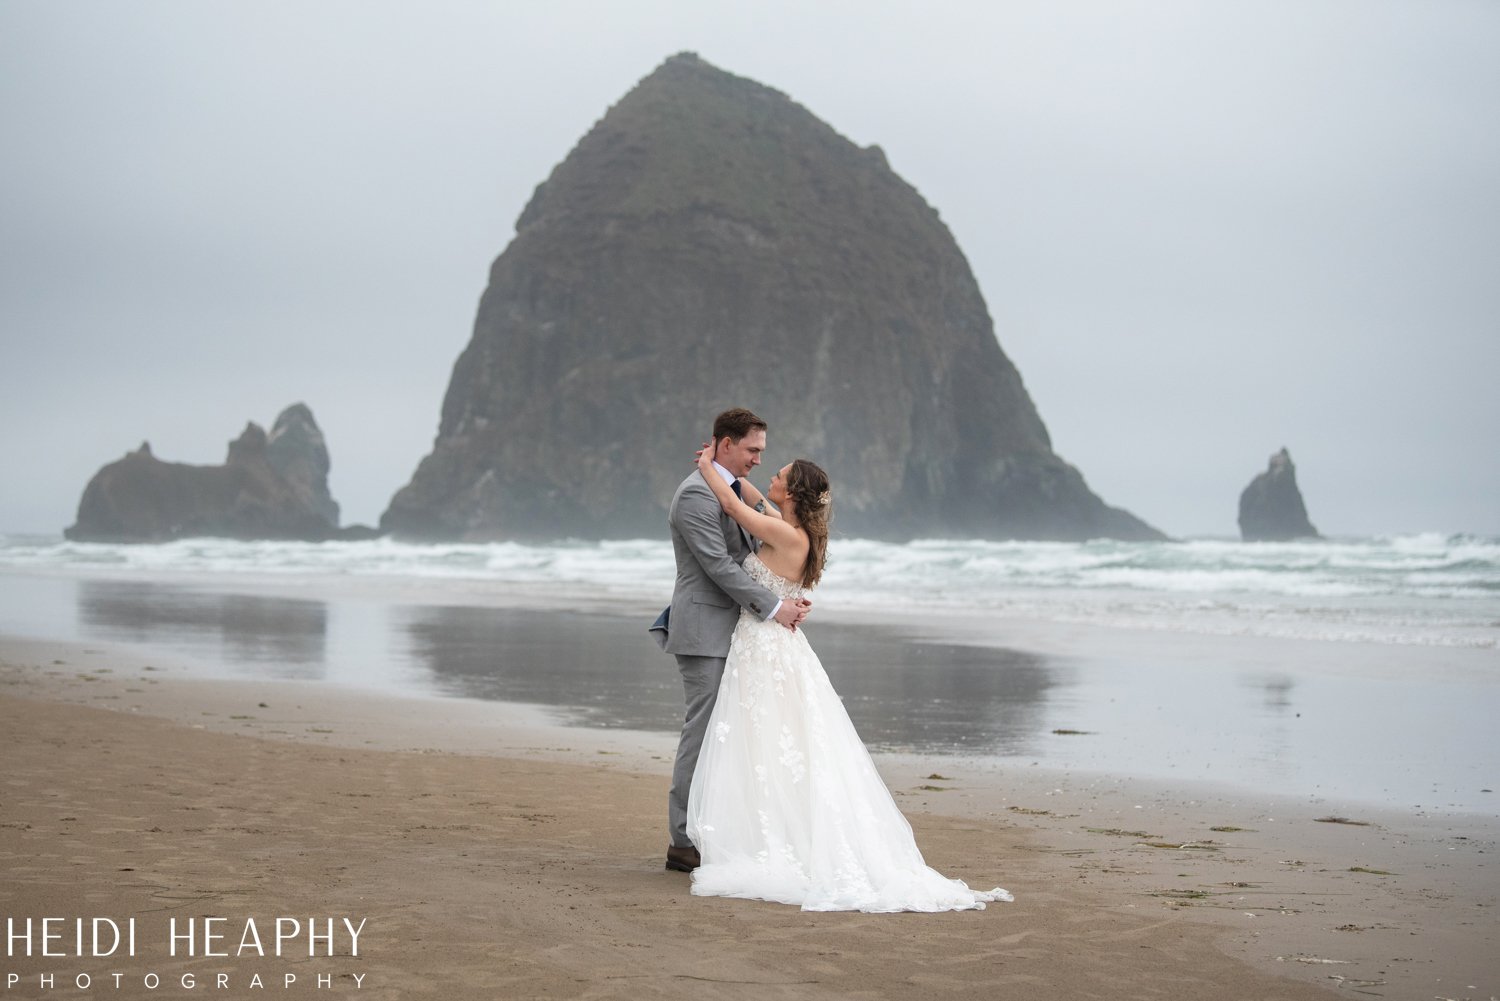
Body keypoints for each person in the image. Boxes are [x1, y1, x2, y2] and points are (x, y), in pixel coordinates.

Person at [683, 446, 1013, 912]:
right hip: (770, 644)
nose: (769, 476)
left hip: (764, 647)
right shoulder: (795, 532)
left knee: (764, 739)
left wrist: (705, 469)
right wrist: (725, 469)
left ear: (793, 493)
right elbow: (752, 498)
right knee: (773, 741)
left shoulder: (785, 534)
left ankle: (770, 838)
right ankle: (762, 828)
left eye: (778, 475)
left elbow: (737, 506)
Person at [650, 408, 812, 874]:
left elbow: (754, 553)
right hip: (704, 632)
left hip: (737, 630)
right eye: (752, 450)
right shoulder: (695, 496)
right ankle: (682, 842)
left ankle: (714, 830)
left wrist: (789, 595)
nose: (760, 459)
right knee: (701, 737)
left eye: (762, 450)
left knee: (730, 740)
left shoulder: (730, 489)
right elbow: (718, 566)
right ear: (724, 444)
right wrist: (775, 607)